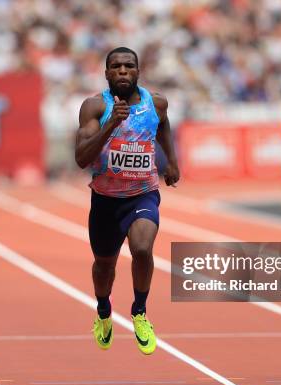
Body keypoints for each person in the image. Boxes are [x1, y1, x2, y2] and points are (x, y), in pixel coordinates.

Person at [75, 47, 179, 355]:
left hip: (143, 193)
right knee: (104, 266)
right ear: (106, 73)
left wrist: (171, 161)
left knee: (143, 249)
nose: (122, 71)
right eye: (116, 67)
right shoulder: (94, 107)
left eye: (128, 66)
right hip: (106, 200)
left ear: (138, 72)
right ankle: (104, 312)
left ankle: (139, 311)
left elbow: (164, 124)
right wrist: (110, 125)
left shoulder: (156, 103)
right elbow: (81, 158)